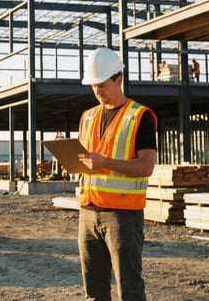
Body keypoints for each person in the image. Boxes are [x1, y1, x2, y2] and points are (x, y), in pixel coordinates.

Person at [76, 47, 157, 301]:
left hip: (123, 217)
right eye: (93, 86)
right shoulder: (87, 117)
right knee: (94, 292)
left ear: (118, 78)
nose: (97, 91)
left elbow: (146, 166)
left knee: (129, 291)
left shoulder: (139, 116)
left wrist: (105, 163)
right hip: (88, 214)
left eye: (102, 84)